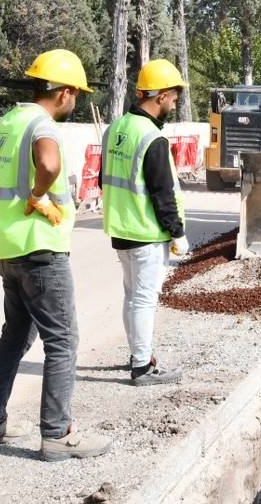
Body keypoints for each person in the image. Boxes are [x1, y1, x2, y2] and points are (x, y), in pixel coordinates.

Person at [0, 48, 112, 461]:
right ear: (65, 92)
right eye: (77, 94)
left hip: (7, 247)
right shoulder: (41, 125)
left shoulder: (10, 121)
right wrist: (35, 195)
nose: (76, 101)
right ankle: (56, 435)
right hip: (41, 248)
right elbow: (48, 163)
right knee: (63, 340)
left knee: (14, 336)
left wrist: (15, 200)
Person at [99, 59, 189, 386]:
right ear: (161, 96)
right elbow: (162, 193)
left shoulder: (116, 129)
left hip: (121, 231)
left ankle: (139, 354)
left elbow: (102, 180)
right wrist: (176, 232)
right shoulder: (152, 138)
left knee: (131, 296)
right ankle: (141, 366)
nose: (175, 104)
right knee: (144, 299)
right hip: (146, 233)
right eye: (174, 98)